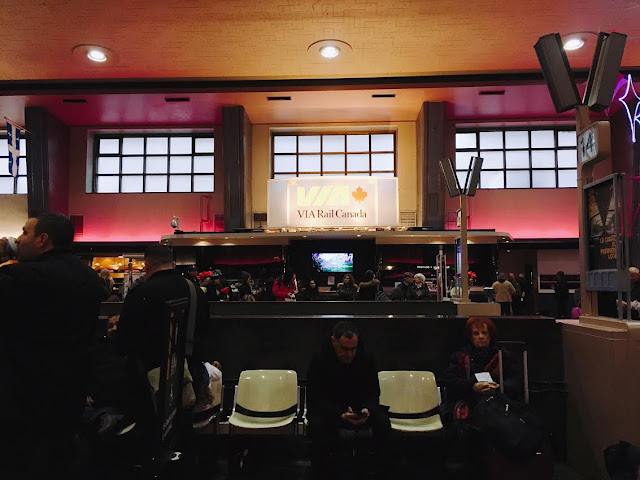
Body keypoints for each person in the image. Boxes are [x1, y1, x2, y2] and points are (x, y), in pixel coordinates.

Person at [0, 212, 105, 477]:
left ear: (42, 240)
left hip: (21, 390)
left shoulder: (19, 277)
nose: (18, 240)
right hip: (70, 386)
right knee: (60, 456)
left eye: (25, 233)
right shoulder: (89, 278)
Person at [116, 244, 212, 462]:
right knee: (183, 432)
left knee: (150, 437)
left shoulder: (142, 292)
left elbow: (125, 340)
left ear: (147, 263)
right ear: (173, 262)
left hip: (148, 377)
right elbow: (205, 332)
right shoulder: (193, 289)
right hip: (188, 375)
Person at [306, 321, 391, 477]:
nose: (350, 354)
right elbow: (316, 398)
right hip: (330, 411)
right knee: (318, 425)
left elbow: (373, 392)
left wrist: (367, 409)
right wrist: (339, 414)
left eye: (353, 349)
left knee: (383, 422)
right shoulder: (319, 360)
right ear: (333, 341)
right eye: (344, 349)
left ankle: (382, 472)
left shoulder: (365, 358)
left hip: (359, 409)